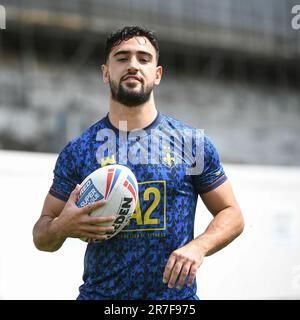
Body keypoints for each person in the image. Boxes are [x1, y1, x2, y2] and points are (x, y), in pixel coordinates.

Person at [32, 26, 244, 300]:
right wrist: (62, 227)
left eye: (143, 58)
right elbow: (41, 236)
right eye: (122, 58)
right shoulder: (79, 150)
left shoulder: (192, 143)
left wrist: (198, 247)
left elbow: (232, 214)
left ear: (157, 74)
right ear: (106, 72)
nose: (133, 65)